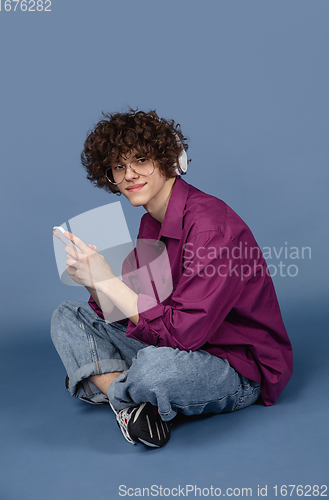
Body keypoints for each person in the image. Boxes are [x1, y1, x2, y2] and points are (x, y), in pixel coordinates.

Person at [51, 109, 293, 448]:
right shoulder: (152, 221)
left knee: (154, 369)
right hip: (176, 342)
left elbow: (182, 335)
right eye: (119, 167)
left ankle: (100, 381)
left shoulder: (212, 228)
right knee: (68, 316)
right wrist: (95, 281)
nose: (130, 175)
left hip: (236, 365)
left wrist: (108, 281)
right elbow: (144, 311)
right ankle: (129, 402)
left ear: (169, 159)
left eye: (141, 160)